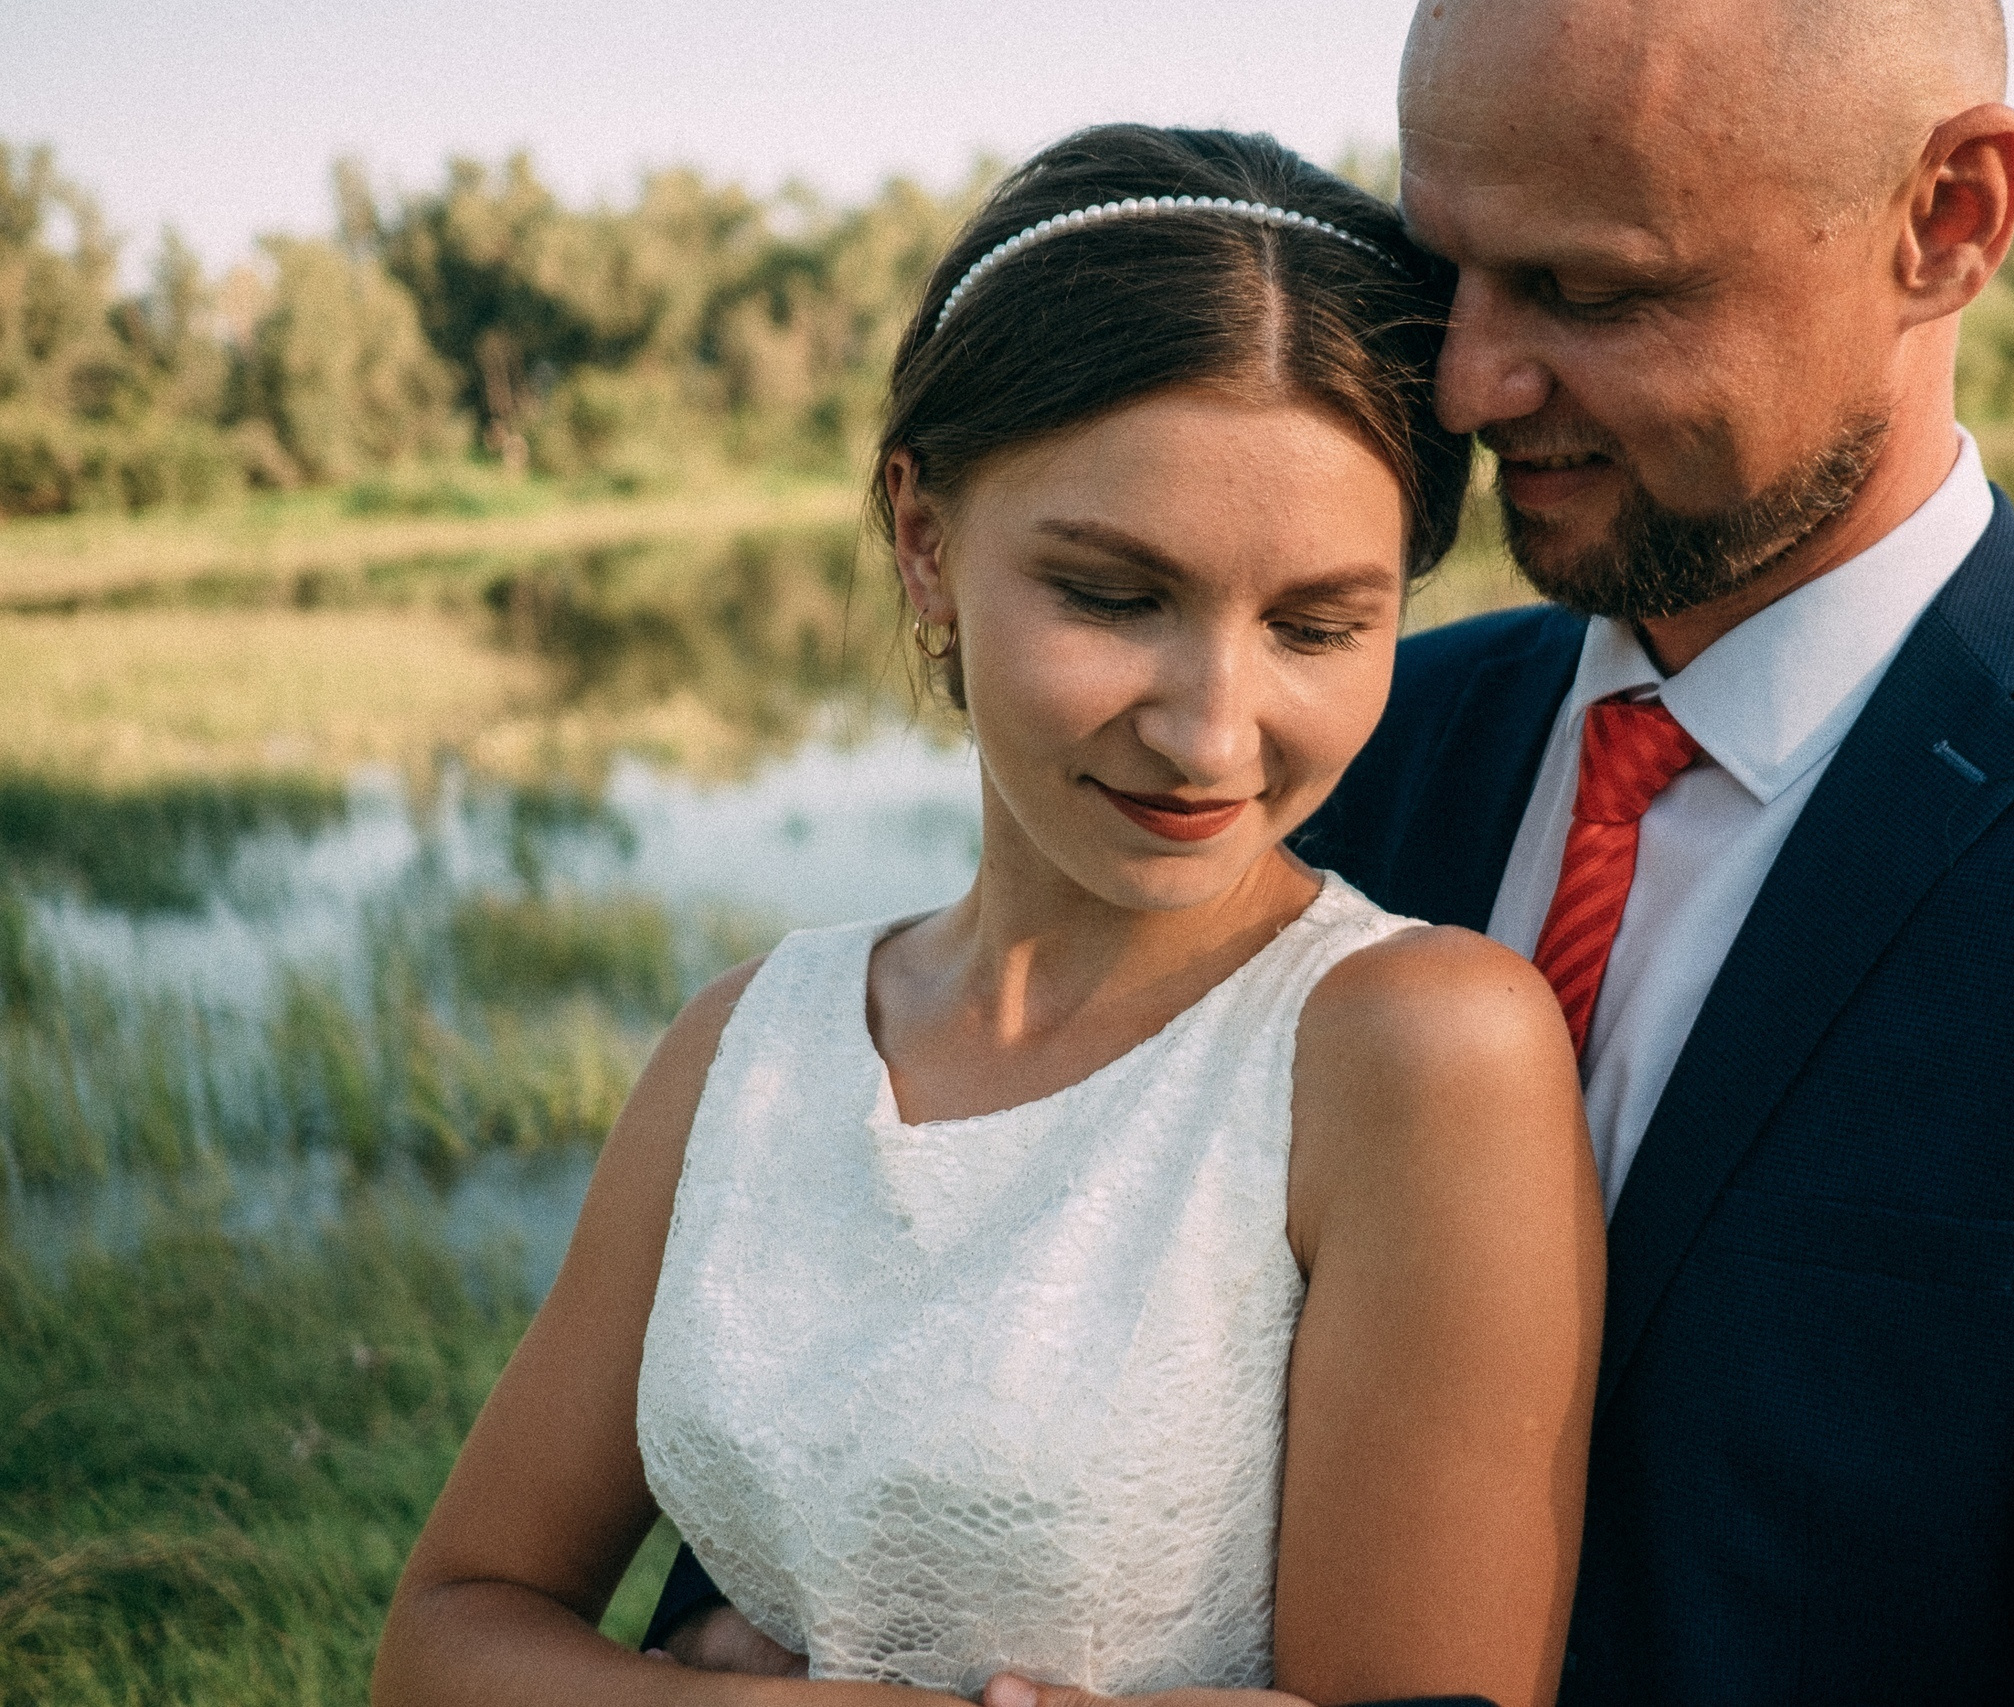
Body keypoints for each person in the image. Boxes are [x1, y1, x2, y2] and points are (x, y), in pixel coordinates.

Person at [874, 1, 2014, 1704]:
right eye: (1451, 271)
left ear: (1948, 218)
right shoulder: (1310, 761)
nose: (1466, 385)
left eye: (1592, 292)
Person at [372, 124, 1605, 1707]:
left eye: (1317, 624)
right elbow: (447, 1632)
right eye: (1112, 596)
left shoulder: (1417, 1055)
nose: (1212, 733)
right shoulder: (748, 1043)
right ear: (924, 539)